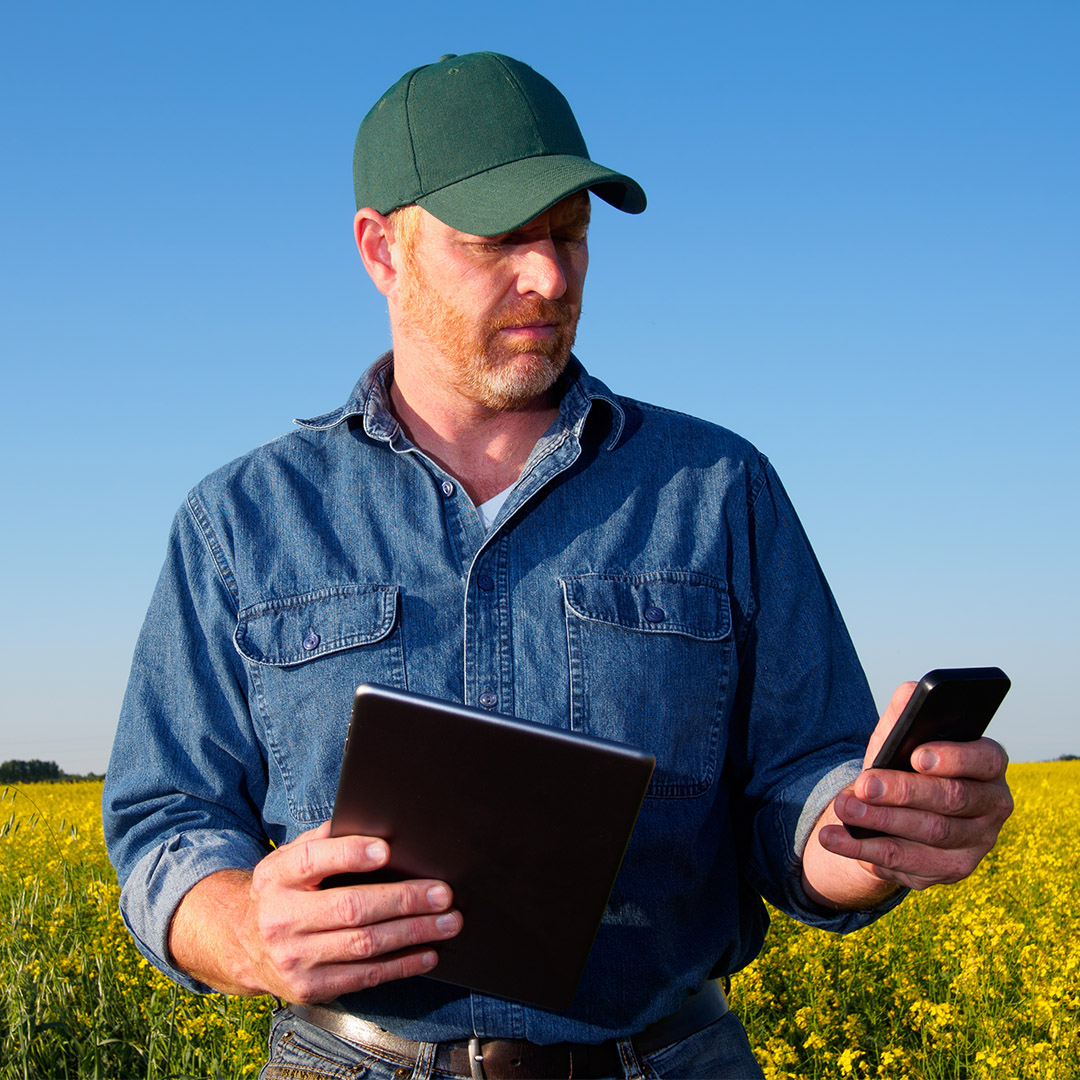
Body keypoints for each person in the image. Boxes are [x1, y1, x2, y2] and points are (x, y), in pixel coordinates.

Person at [103, 52, 1013, 1080]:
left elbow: (799, 791)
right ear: (381, 249)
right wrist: (237, 928)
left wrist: (868, 838)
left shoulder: (719, 486)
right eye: (499, 240)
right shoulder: (240, 520)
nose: (550, 277)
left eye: (570, 235)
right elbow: (165, 817)